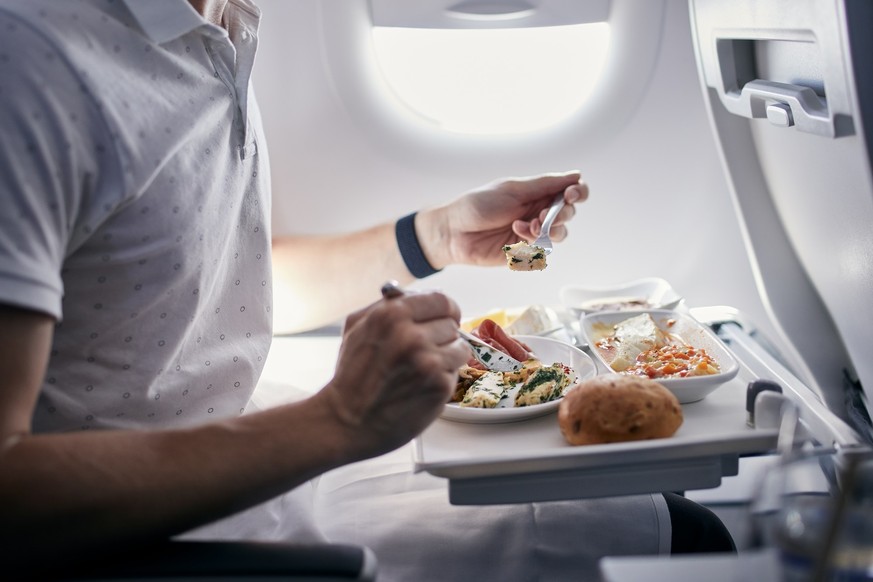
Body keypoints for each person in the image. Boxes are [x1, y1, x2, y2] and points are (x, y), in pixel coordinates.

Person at [0, 0, 733, 578]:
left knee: (657, 509)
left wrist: (435, 236)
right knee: (685, 541)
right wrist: (338, 419)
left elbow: (210, 288)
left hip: (261, 453)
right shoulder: (31, 63)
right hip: (169, 532)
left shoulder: (221, 21)